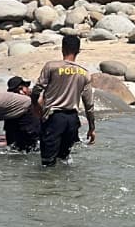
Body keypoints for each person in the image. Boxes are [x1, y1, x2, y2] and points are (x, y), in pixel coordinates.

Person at [32, 34, 97, 166]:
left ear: (62, 49)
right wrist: (92, 128)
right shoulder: (84, 73)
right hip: (72, 120)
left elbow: (37, 89)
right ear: (78, 51)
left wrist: (35, 106)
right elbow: (89, 104)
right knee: (64, 160)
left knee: (47, 163)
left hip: (54, 119)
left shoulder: (51, 66)